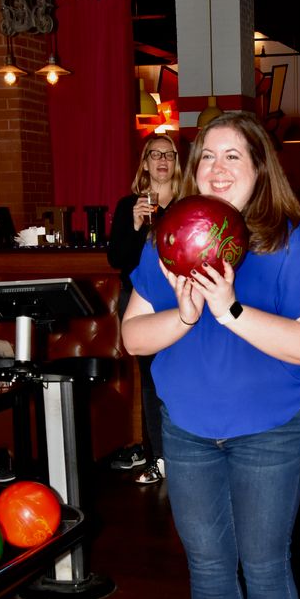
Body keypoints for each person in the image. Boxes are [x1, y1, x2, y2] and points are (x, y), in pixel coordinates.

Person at [122, 111, 300, 599]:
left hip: (270, 431)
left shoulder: (292, 243)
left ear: (259, 169)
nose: (215, 167)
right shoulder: (166, 241)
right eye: (206, 156)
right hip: (187, 427)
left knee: (263, 564)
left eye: (232, 157)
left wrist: (229, 308)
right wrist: (184, 316)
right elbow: (134, 336)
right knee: (209, 566)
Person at [107, 132, 182, 484]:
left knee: (181, 375)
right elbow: (118, 259)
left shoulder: (188, 204)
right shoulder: (129, 206)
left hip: (181, 300)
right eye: (156, 154)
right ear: (146, 162)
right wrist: (137, 226)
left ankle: (186, 451)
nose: (162, 160)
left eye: (169, 154)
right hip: (140, 300)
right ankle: (159, 458)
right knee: (152, 381)